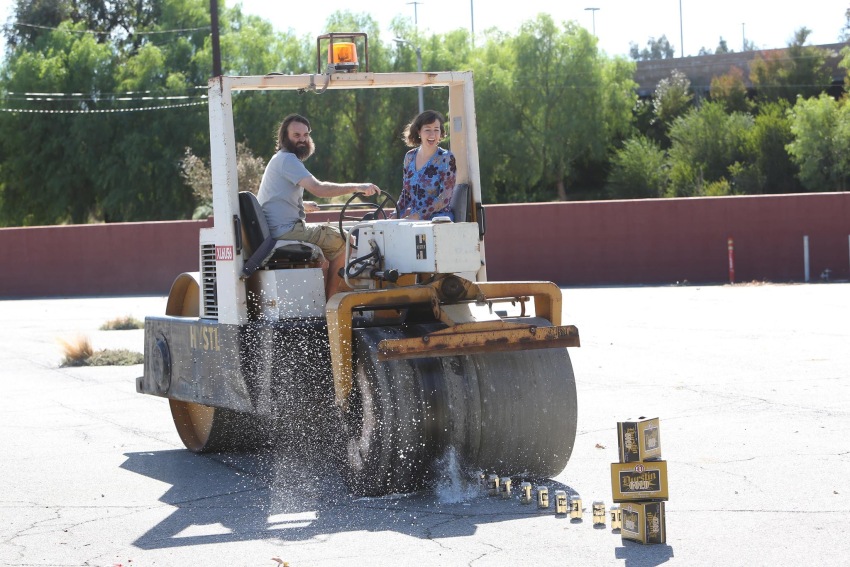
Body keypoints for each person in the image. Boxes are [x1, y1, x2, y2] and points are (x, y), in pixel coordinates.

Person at [257, 113, 381, 299]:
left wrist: (302, 205)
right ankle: (329, 304)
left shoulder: (279, 159)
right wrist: (357, 187)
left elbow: (275, 196)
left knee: (326, 247)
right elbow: (318, 188)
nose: (302, 139)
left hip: (278, 228)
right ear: (285, 137)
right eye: (296, 135)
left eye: (306, 135)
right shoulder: (287, 159)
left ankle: (318, 296)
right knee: (346, 241)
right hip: (286, 230)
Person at [398, 110, 457, 221]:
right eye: (427, 130)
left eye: (436, 130)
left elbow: (444, 198)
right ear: (419, 132)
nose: (432, 134)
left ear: (441, 133)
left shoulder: (446, 158)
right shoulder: (409, 157)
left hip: (439, 220)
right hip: (414, 221)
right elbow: (406, 195)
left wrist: (418, 215)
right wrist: (395, 214)